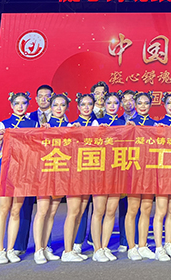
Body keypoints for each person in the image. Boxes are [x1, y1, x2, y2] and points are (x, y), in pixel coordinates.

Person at [34, 93, 88, 263]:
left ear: (67, 108)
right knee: (42, 211)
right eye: (55, 105)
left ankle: (45, 248)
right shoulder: (44, 126)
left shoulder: (70, 126)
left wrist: (77, 131)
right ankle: (38, 250)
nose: (59, 108)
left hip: (62, 174)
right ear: (50, 107)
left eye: (62, 105)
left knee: (52, 212)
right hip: (46, 173)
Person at [0, 92, 39, 264]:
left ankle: (11, 249)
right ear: (11, 105)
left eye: (23, 103)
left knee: (15, 211)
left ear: (28, 105)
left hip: (23, 170)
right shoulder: (4, 124)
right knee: (3, 210)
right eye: (17, 103)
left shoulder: (33, 124)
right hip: (5, 169)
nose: (20, 106)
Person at [14, 84, 53, 255]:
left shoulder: (60, 117)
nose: (44, 98)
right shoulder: (28, 118)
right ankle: (19, 246)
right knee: (25, 206)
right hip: (28, 167)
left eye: (47, 96)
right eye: (41, 96)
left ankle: (45, 245)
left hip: (48, 166)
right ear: (36, 99)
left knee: (46, 209)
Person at [123, 92, 158, 261]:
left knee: (146, 209)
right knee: (132, 209)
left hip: (149, 171)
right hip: (134, 171)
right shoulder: (129, 124)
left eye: (146, 103)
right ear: (135, 105)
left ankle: (143, 245)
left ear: (150, 105)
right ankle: (132, 247)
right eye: (140, 103)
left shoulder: (154, 125)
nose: (143, 106)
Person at [88, 92, 121, 262]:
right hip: (100, 172)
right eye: (109, 103)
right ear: (104, 105)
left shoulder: (124, 124)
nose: (112, 106)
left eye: (116, 103)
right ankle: (97, 248)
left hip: (117, 172)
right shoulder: (97, 122)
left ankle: (105, 246)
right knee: (98, 211)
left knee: (111, 211)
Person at [151, 92, 171, 261]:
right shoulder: (158, 124)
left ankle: (168, 244)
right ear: (164, 105)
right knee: (161, 210)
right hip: (163, 172)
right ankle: (158, 247)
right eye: (169, 103)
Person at [71, 93, 99, 255]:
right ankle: (75, 243)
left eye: (89, 104)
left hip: (93, 169)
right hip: (78, 171)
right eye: (83, 104)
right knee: (78, 209)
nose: (86, 107)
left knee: (95, 208)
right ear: (78, 107)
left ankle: (94, 243)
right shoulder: (72, 125)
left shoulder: (97, 124)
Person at [114, 90, 138, 252]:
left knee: (137, 206)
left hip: (137, 166)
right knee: (122, 206)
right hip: (121, 166)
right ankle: (124, 240)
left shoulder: (144, 121)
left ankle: (137, 241)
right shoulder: (117, 121)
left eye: (131, 100)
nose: (128, 103)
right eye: (125, 100)